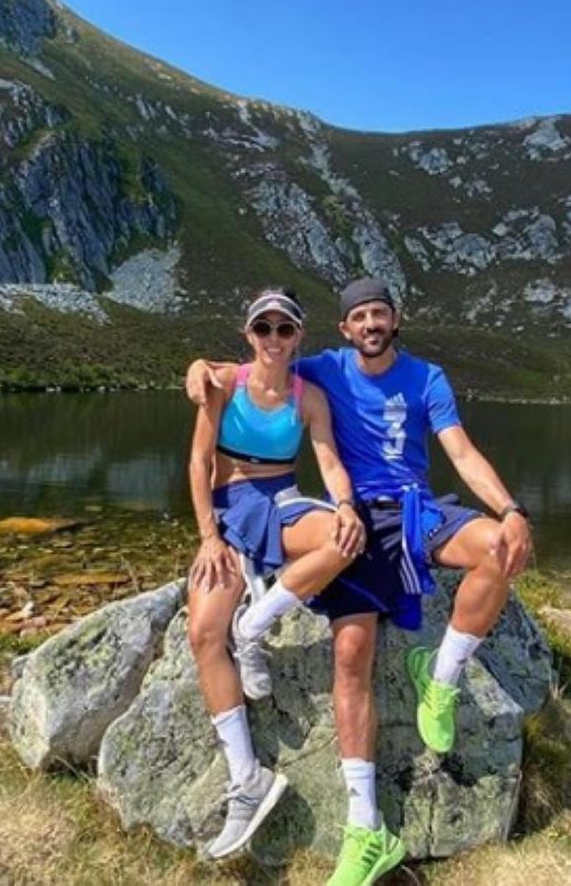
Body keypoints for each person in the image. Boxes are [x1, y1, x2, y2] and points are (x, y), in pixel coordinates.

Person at [187, 276, 533, 886]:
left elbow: (463, 452)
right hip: (361, 520)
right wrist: (201, 366)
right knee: (351, 653)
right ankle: (366, 826)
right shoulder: (326, 369)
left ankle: (441, 675)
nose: (370, 324)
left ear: (395, 321)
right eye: (359, 317)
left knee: (499, 550)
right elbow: (251, 366)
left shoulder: (427, 379)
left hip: (417, 510)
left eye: (380, 314)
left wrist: (510, 510)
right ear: (345, 329)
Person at [187, 288, 366, 861]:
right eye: (262, 328)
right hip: (227, 506)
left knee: (346, 542)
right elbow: (197, 461)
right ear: (248, 335)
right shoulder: (222, 385)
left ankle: (255, 624)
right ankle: (247, 779)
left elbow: (330, 460)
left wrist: (343, 504)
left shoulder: (307, 396)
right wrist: (209, 537)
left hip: (282, 500)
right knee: (202, 634)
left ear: (297, 338)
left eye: (283, 330)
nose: (272, 339)